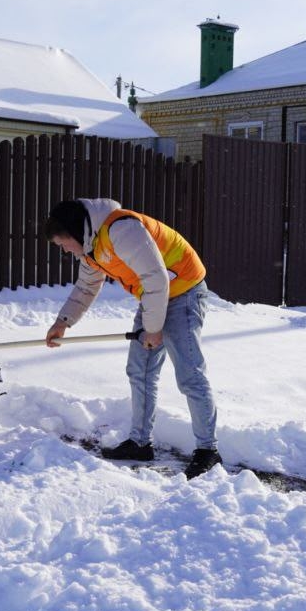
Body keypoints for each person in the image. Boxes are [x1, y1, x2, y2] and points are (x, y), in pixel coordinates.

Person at [44, 198, 221, 479]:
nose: (65, 250)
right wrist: (62, 322)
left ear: (76, 231)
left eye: (63, 244)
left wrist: (153, 328)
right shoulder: (90, 248)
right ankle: (140, 443)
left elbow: (155, 277)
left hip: (184, 290)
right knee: (140, 370)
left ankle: (208, 451)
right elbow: (87, 286)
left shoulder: (121, 229)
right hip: (154, 295)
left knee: (189, 374)